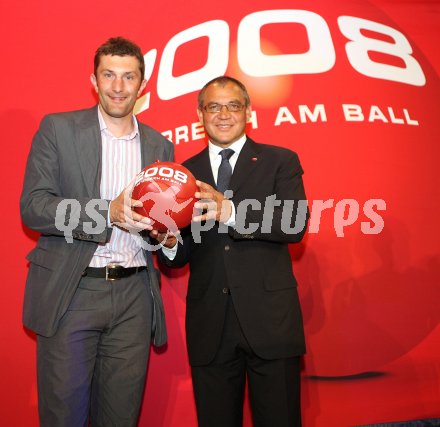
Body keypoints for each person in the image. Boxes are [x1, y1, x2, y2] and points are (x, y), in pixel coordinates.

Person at [20, 37, 173, 427]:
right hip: (73, 291)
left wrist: (168, 235)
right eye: (109, 75)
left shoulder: (160, 145)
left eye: (128, 77)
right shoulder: (59, 129)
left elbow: (161, 221)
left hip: (135, 295)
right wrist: (107, 212)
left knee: (121, 417)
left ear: (143, 84)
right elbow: (34, 207)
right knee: (64, 415)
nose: (118, 87)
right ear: (94, 79)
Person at [155, 76, 309, 427]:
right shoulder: (184, 174)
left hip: (271, 323)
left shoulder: (279, 161)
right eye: (213, 106)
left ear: (248, 112)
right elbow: (180, 255)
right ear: (200, 114)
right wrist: (167, 240)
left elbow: (294, 223)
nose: (223, 114)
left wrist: (232, 211)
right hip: (211, 326)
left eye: (233, 105)